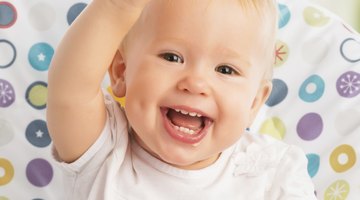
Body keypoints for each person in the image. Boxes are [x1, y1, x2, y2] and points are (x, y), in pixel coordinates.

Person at [47, 0, 317, 199]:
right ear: (121, 71)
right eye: (172, 57)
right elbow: (71, 93)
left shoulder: (273, 173)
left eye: (226, 70)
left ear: (254, 103)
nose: (195, 83)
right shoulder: (104, 152)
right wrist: (118, 7)